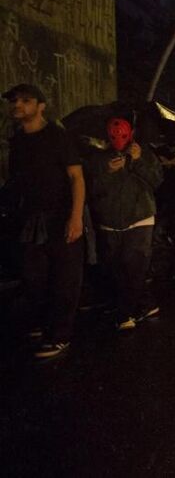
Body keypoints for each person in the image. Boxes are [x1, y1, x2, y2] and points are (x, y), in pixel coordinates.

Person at [3, 84, 85, 358]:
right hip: (30, 219)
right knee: (34, 276)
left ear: (41, 106)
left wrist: (75, 218)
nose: (18, 105)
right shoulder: (18, 141)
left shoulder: (58, 137)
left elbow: (77, 177)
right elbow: (16, 182)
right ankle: (43, 322)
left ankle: (60, 335)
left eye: (26, 101)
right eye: (15, 101)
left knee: (64, 278)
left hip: (60, 216)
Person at [87, 118, 163, 330]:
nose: (118, 140)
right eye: (113, 136)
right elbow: (92, 189)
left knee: (134, 266)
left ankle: (125, 314)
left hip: (140, 218)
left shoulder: (145, 153)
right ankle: (145, 303)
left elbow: (156, 181)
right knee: (115, 267)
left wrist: (138, 161)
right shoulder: (98, 158)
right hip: (110, 222)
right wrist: (108, 173)